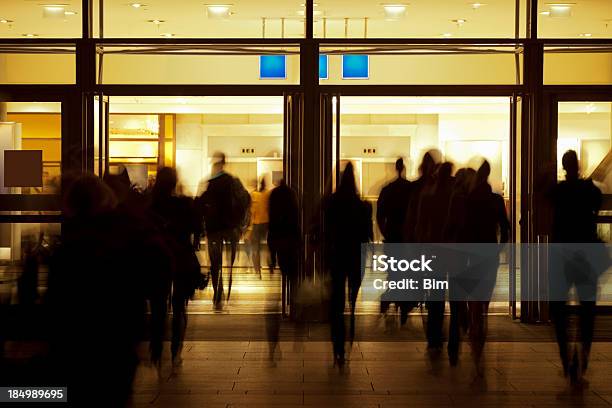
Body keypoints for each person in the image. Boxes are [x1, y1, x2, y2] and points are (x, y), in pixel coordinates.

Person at [47, 174, 147, 406]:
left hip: (74, 349)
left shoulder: (66, 252)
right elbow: (132, 299)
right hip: (114, 348)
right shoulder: (119, 246)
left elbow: (56, 306)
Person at [550, 150, 603, 387]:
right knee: (588, 311)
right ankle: (582, 358)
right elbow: (597, 205)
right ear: (578, 165)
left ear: (563, 166)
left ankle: (565, 357)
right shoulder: (590, 190)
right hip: (586, 256)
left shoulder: (558, 192)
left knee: (558, 311)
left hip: (562, 257)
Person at [150, 167, 201, 367]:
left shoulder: (151, 206)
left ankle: (156, 348)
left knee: (158, 305)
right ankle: (175, 351)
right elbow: (196, 229)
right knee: (180, 307)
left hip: (157, 259)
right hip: (181, 258)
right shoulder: (184, 204)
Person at [464, 160, 510, 379]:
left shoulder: (469, 200)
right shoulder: (495, 201)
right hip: (489, 253)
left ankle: (475, 328)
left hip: (470, 256)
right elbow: (505, 228)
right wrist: (499, 248)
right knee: (484, 298)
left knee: (473, 297)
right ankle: (479, 324)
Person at [324, 162, 373, 367]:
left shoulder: (332, 203)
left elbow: (326, 230)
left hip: (337, 256)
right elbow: (367, 236)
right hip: (355, 257)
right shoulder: (363, 206)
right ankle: (350, 335)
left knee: (336, 304)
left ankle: (338, 346)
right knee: (351, 303)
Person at [198, 152, 250, 308]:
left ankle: (218, 292)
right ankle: (224, 287)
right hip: (230, 228)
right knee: (228, 261)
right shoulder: (233, 181)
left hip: (214, 228)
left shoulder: (210, 183)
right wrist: (240, 223)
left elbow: (201, 203)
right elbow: (245, 199)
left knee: (215, 262)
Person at [414, 161, 454, 354]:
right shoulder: (453, 198)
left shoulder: (428, 195)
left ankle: (434, 334)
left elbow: (420, 224)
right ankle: (445, 332)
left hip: (431, 249)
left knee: (434, 292)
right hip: (451, 250)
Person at [443, 167, 476, 366]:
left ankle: (453, 346)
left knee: (456, 301)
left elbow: (449, 227)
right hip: (469, 256)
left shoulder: (453, 199)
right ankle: (465, 331)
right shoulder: (470, 201)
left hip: (454, 255)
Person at [376, 158, 415, 324]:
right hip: (407, 239)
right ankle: (403, 304)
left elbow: (380, 216)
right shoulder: (410, 189)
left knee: (393, 272)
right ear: (404, 168)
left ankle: (389, 298)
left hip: (392, 237)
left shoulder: (387, 190)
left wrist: (385, 232)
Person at [249, 177, 271, 278]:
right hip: (266, 223)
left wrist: (249, 228)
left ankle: (257, 270)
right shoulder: (267, 194)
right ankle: (270, 263)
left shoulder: (254, 195)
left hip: (257, 224)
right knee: (268, 247)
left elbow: (251, 212)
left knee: (255, 248)